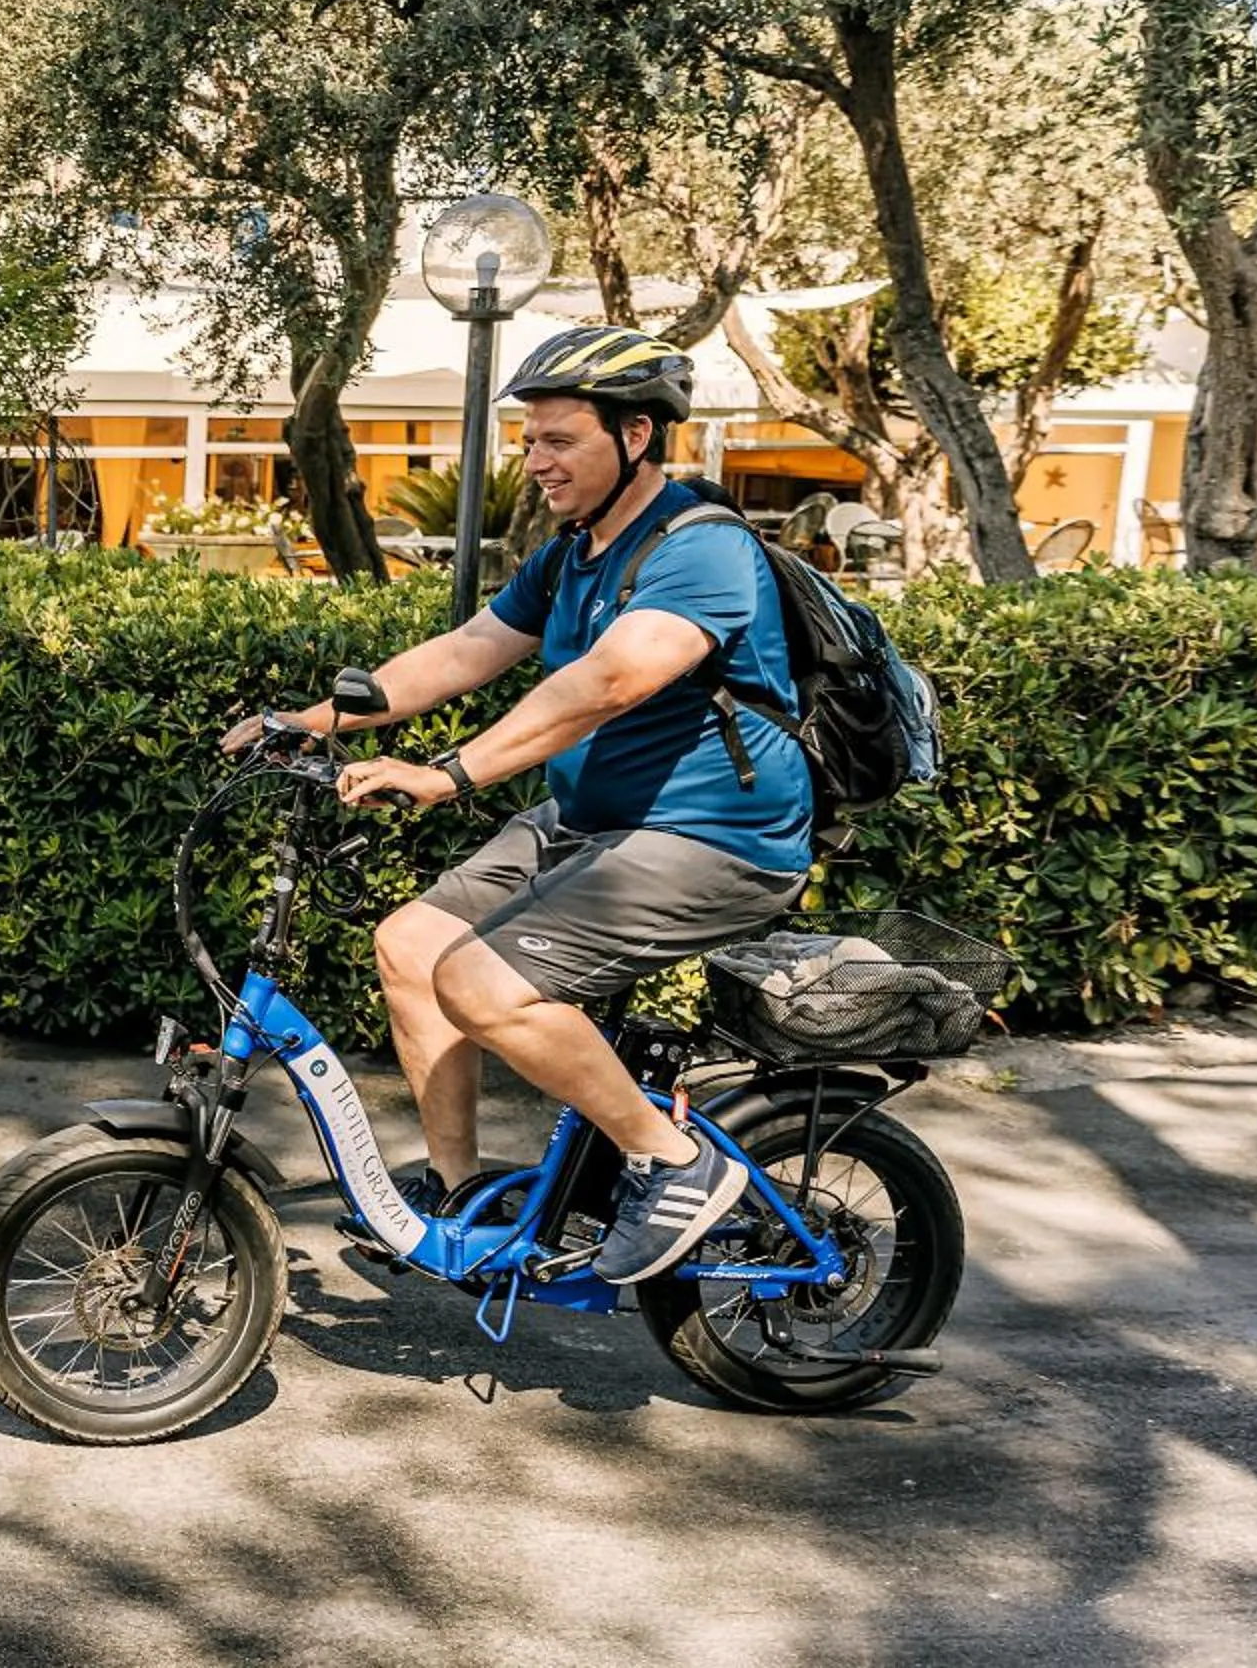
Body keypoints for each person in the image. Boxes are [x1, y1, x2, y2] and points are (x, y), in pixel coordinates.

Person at [220, 327, 813, 1283]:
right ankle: (461, 1201)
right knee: (411, 947)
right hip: (593, 826)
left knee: (481, 984)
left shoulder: (705, 550)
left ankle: (674, 1162)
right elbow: (467, 652)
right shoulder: (574, 553)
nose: (536, 461)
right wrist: (309, 721)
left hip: (713, 841)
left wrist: (448, 773)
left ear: (635, 437)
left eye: (560, 440)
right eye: (530, 441)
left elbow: (610, 681)